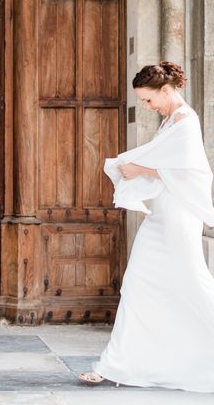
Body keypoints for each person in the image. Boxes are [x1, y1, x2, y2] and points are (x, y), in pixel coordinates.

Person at [78, 61, 214, 392]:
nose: (146, 106)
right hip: (161, 217)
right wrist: (139, 167)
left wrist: (140, 170)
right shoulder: (170, 120)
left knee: (192, 283)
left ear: (165, 90)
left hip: (179, 219)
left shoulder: (186, 121)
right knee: (138, 283)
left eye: (148, 99)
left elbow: (192, 173)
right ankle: (115, 365)